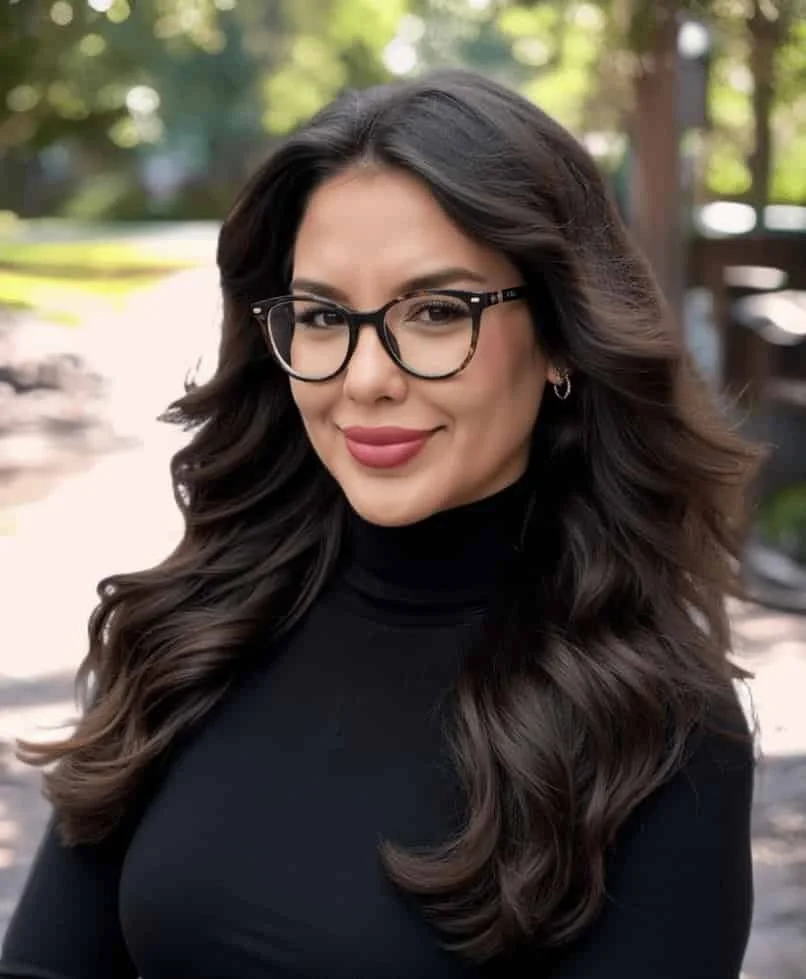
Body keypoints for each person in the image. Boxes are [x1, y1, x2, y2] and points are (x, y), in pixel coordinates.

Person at [1, 69, 760, 979]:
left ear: (561, 334)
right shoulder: (187, 636)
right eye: (323, 316)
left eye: (436, 311)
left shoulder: (661, 726)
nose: (364, 379)